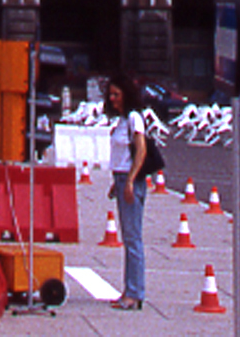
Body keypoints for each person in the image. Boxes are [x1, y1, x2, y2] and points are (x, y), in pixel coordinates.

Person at [104, 74, 148, 310]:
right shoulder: (122, 120)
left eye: (116, 95)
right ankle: (130, 290)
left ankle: (134, 292)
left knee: (133, 238)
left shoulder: (134, 119)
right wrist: (117, 182)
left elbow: (140, 150)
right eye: (110, 94)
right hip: (121, 180)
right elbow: (123, 155)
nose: (112, 99)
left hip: (131, 181)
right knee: (129, 237)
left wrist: (130, 180)